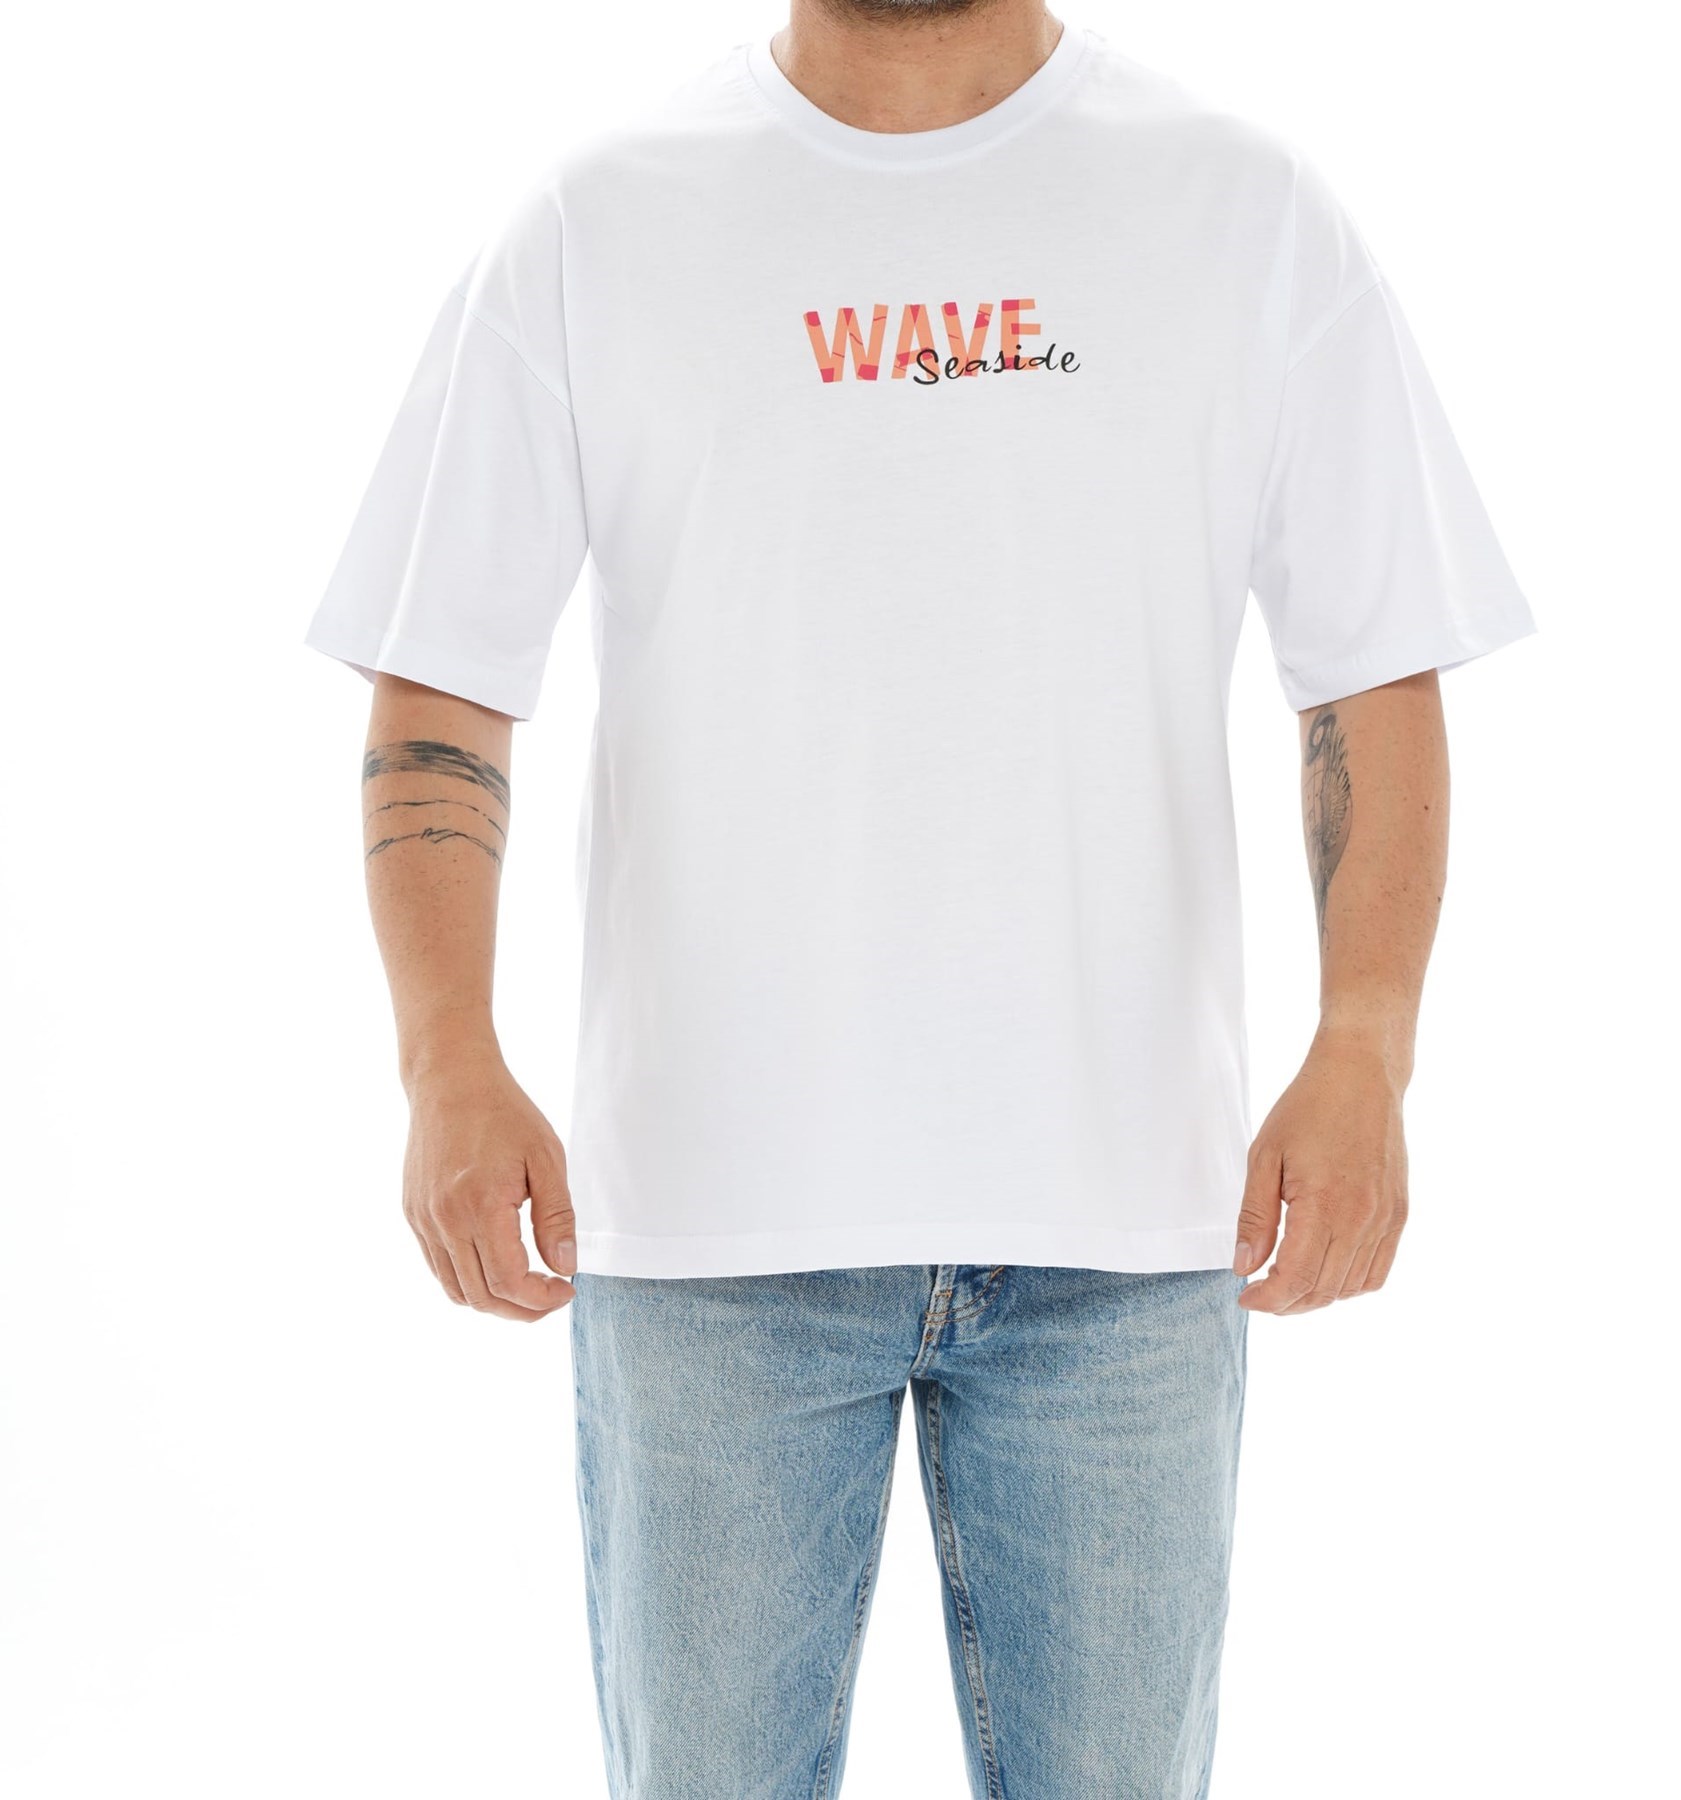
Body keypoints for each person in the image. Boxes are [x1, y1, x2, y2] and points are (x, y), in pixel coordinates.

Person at [307, 2, 1533, 1793]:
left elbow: (1371, 671)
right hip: (715, 1225)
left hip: (1125, 1222)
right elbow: (441, 683)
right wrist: (444, 1066)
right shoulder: (601, 218)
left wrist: (1367, 1047)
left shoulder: (1243, 207)